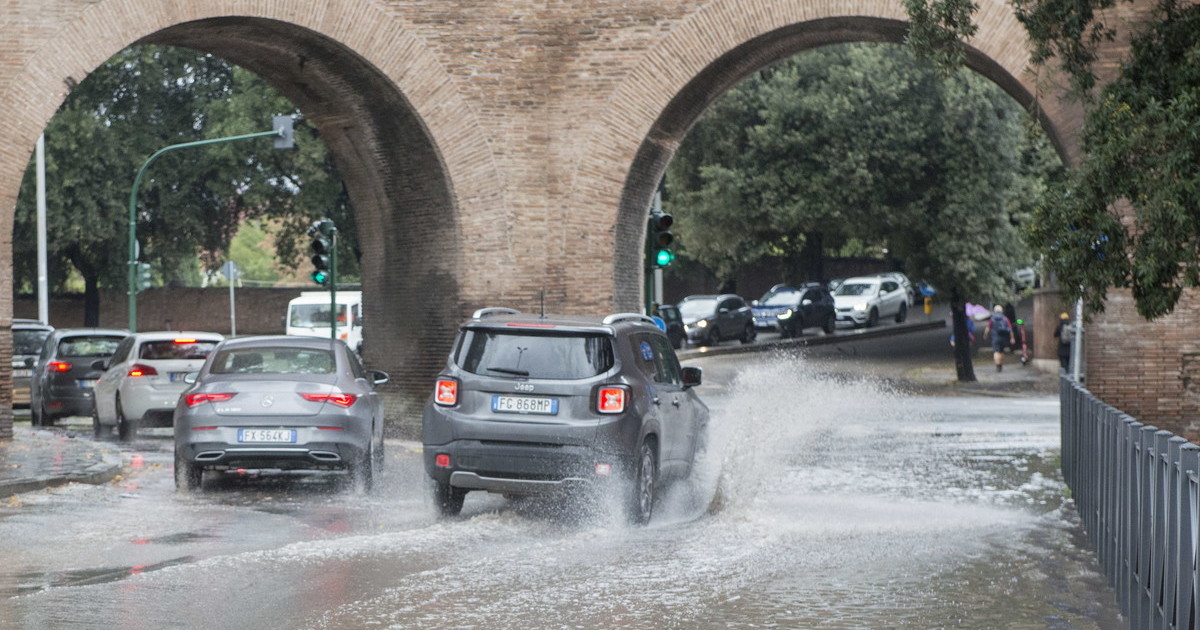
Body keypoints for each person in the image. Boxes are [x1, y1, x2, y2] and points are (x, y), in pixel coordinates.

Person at [984, 304, 1015, 372]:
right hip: (1003, 338)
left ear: (995, 311)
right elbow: (1010, 329)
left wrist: (985, 335)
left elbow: (988, 328)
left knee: (996, 351)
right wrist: (1012, 338)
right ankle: (1000, 364)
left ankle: (997, 365)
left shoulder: (992, 319)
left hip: (995, 337)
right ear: (1002, 311)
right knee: (1001, 351)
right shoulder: (1005, 318)